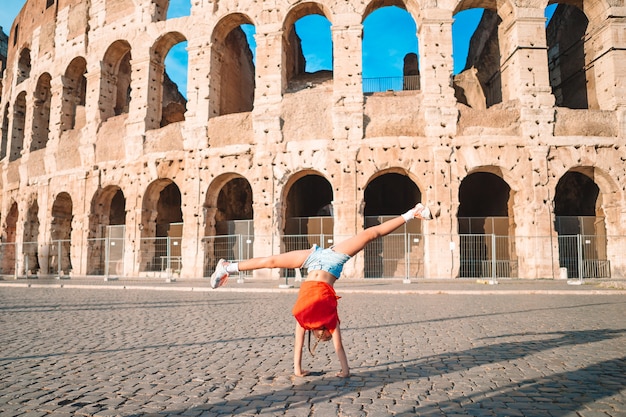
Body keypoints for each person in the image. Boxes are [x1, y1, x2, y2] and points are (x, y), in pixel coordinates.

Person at [210, 203, 433, 377]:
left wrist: (297, 370)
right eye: (328, 336)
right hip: (333, 261)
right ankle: (413, 213)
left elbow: (298, 345)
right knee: (369, 235)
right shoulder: (331, 321)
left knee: (271, 261)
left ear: (316, 336)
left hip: (313, 261)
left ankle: (227, 267)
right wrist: (345, 371)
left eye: (322, 337)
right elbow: (340, 348)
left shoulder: (304, 319)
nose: (326, 335)